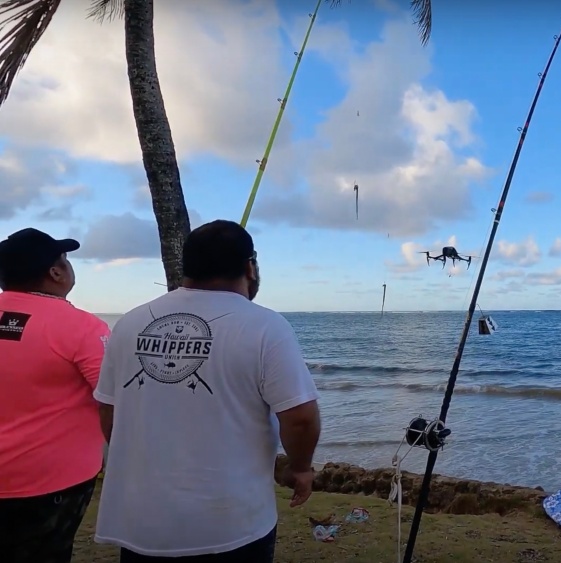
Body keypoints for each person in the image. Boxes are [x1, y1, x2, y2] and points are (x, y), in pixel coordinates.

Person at [93, 219, 322, 562]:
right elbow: (301, 418)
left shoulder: (130, 322)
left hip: (142, 521)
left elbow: (109, 410)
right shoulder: (265, 325)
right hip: (230, 527)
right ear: (249, 267)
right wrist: (300, 467)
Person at [0, 228, 112, 563]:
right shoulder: (82, 327)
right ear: (56, 272)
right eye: (64, 259)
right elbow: (114, 399)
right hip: (46, 485)